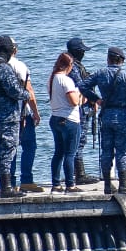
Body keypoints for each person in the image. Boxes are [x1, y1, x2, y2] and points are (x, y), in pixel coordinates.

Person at [79, 47, 126, 194]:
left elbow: (82, 86)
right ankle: (123, 184)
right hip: (123, 116)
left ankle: (107, 186)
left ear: (108, 59)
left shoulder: (100, 73)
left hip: (106, 115)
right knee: (122, 151)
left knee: (106, 150)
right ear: (121, 60)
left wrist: (96, 99)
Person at [0, 35, 31, 198]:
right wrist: (26, 94)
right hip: (8, 115)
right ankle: (6, 188)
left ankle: (4, 186)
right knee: (8, 148)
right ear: (8, 49)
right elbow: (14, 91)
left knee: (0, 148)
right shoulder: (3, 67)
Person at [8, 44, 43, 192]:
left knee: (10, 148)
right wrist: (35, 112)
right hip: (22, 113)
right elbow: (28, 91)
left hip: (4, 114)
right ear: (14, 50)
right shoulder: (19, 66)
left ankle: (10, 182)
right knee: (29, 146)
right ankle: (26, 180)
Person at [48, 52, 84, 193]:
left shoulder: (51, 79)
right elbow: (74, 102)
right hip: (69, 120)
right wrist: (80, 95)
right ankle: (70, 184)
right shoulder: (66, 80)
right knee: (70, 154)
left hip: (55, 118)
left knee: (58, 153)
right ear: (68, 65)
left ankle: (56, 184)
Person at [66, 37, 99, 185]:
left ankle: (76, 173)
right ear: (77, 52)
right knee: (79, 140)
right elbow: (81, 86)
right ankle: (79, 174)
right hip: (78, 108)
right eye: (82, 51)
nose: (84, 54)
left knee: (78, 140)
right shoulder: (72, 67)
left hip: (81, 106)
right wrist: (95, 99)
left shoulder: (74, 65)